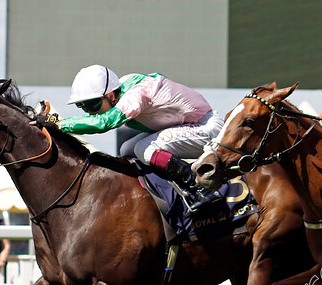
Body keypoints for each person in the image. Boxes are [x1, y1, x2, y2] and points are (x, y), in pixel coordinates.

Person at [37, 64, 223, 214]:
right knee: (127, 149)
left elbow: (104, 123)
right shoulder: (119, 91)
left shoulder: (137, 94)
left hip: (206, 127)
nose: (89, 111)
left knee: (144, 148)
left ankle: (201, 191)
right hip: (183, 126)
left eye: (92, 104)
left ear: (110, 95)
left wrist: (61, 124)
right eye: (83, 106)